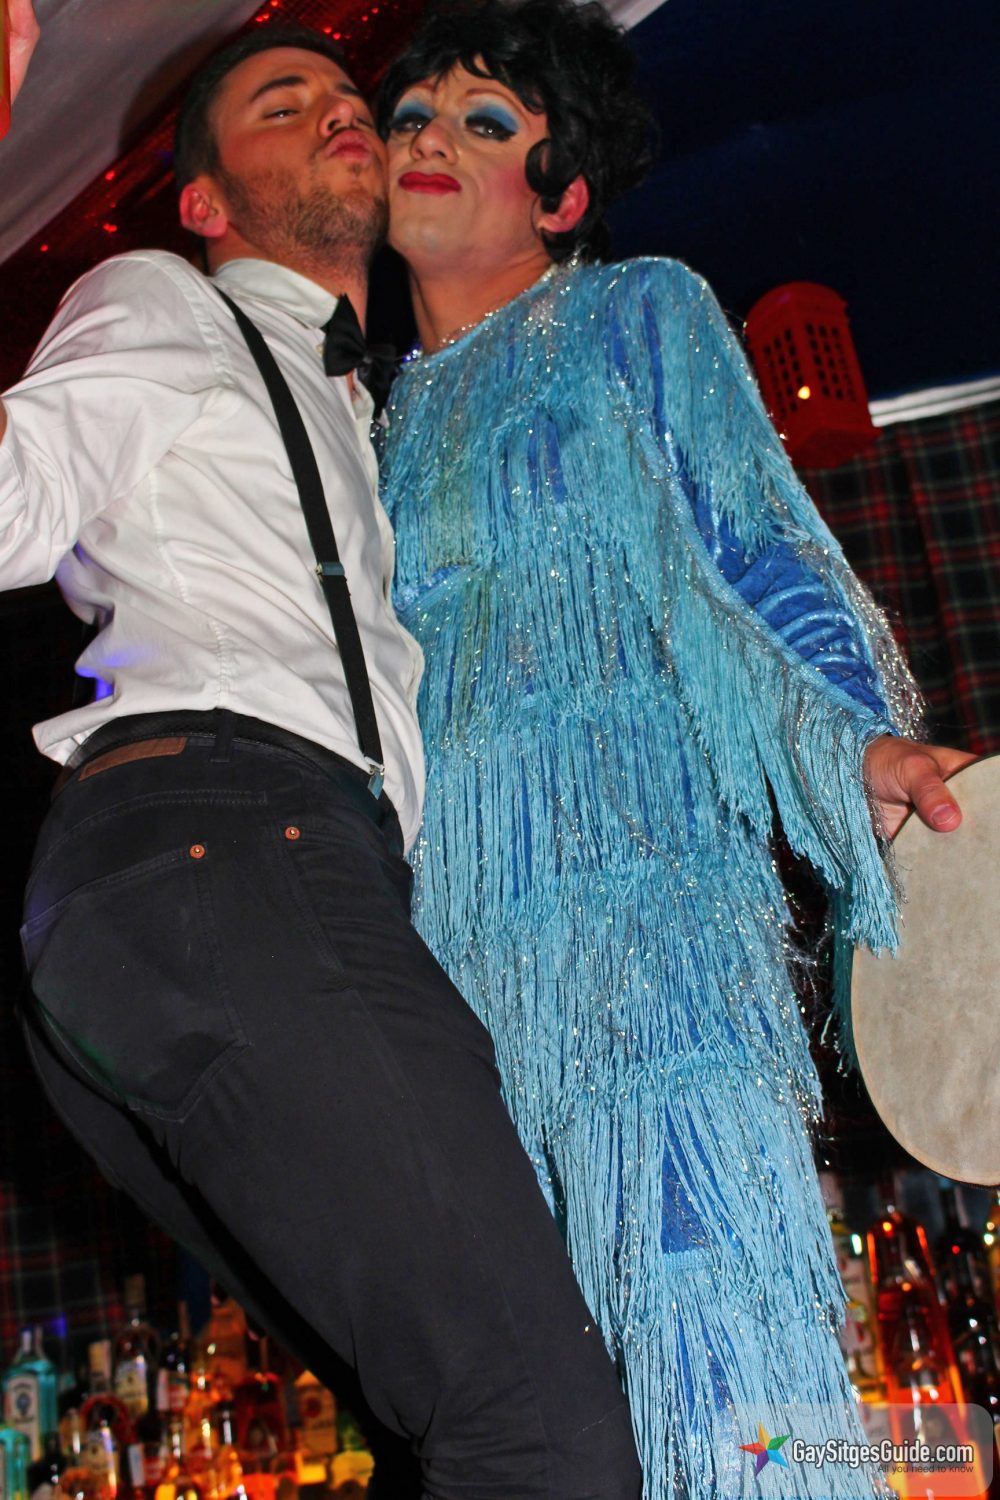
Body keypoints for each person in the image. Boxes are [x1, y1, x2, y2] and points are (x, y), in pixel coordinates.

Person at [1, 23, 643, 1498]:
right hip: (226, 841)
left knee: (451, 1429)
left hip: (184, 901)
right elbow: (18, 498)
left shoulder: (361, 407)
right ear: (206, 201)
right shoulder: (164, 301)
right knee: (538, 1429)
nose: (345, 115)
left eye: (351, 98)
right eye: (284, 107)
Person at [377, 1, 974, 1494]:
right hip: (454, 958)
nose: (429, 139)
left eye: (484, 123)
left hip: (648, 919)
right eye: (411, 117)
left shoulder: (633, 311)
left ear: (562, 194)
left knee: (720, 1345)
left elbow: (752, 546)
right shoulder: (368, 419)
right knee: (544, 1407)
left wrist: (860, 742)